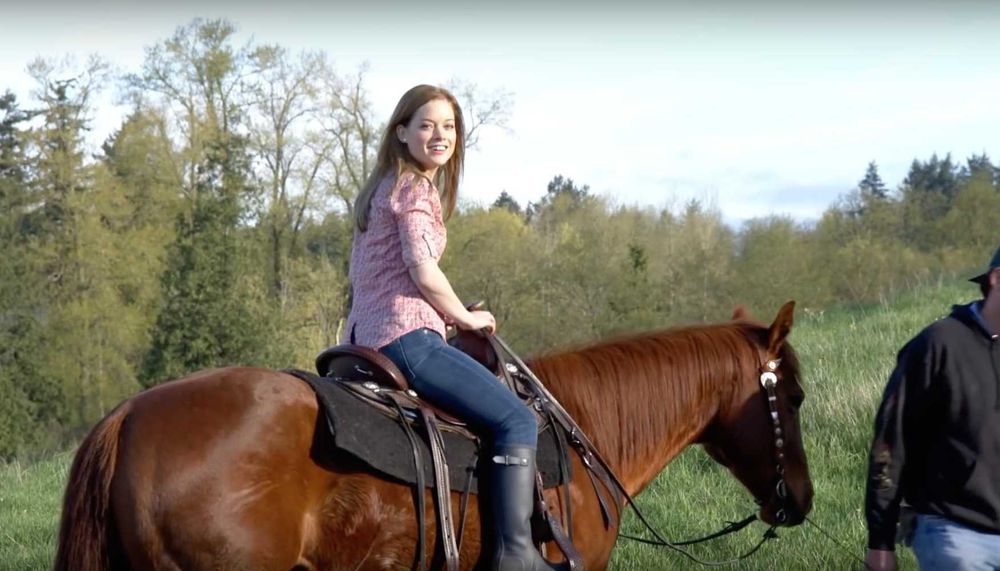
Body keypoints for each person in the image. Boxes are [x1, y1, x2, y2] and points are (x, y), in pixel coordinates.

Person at [346, 84, 565, 571]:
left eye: (448, 126)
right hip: (405, 339)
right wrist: (465, 318)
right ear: (401, 133)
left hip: (361, 341)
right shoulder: (414, 188)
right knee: (517, 420)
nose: (439, 135)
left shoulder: (381, 188)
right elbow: (423, 271)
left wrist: (446, 314)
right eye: (426, 125)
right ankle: (516, 555)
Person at [865, 244, 1000, 571]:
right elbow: (891, 443)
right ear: (996, 279)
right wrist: (880, 541)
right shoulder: (938, 345)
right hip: (956, 531)